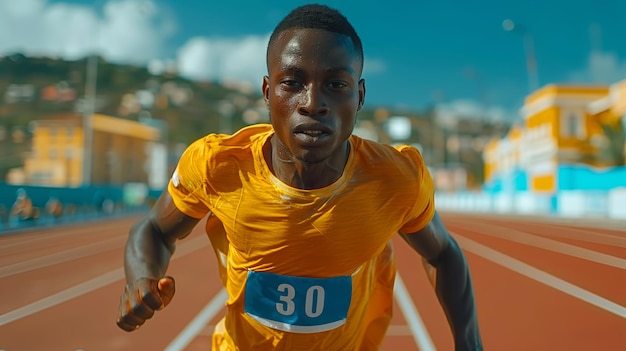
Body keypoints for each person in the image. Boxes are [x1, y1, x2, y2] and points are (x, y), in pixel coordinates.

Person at [116, 4, 483, 350]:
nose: (312, 103)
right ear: (267, 92)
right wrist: (142, 277)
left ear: (359, 95)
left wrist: (470, 344)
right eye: (292, 82)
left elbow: (444, 255)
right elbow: (155, 230)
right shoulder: (218, 166)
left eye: (336, 85)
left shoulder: (396, 179)